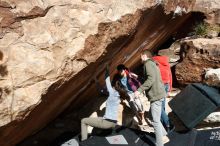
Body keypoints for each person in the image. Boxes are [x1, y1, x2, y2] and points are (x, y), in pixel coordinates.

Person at [135, 50, 168, 146]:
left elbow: (151, 79)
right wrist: (137, 77)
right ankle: (164, 135)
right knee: (149, 116)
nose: (140, 58)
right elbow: (151, 77)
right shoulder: (153, 64)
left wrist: (139, 90)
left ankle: (160, 143)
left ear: (144, 56)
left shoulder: (147, 64)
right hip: (159, 94)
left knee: (155, 121)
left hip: (156, 96)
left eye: (141, 56)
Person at [81, 65, 122, 141]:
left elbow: (107, 79)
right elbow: (101, 90)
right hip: (113, 123)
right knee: (95, 128)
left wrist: (106, 68)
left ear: (115, 84)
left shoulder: (112, 92)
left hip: (106, 123)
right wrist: (96, 81)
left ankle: (83, 142)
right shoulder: (118, 94)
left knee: (84, 121)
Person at [152, 55, 173, 132]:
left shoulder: (153, 61)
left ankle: (168, 123)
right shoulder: (166, 62)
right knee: (162, 105)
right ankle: (164, 124)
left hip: (159, 85)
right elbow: (170, 75)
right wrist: (170, 88)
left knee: (158, 106)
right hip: (166, 84)